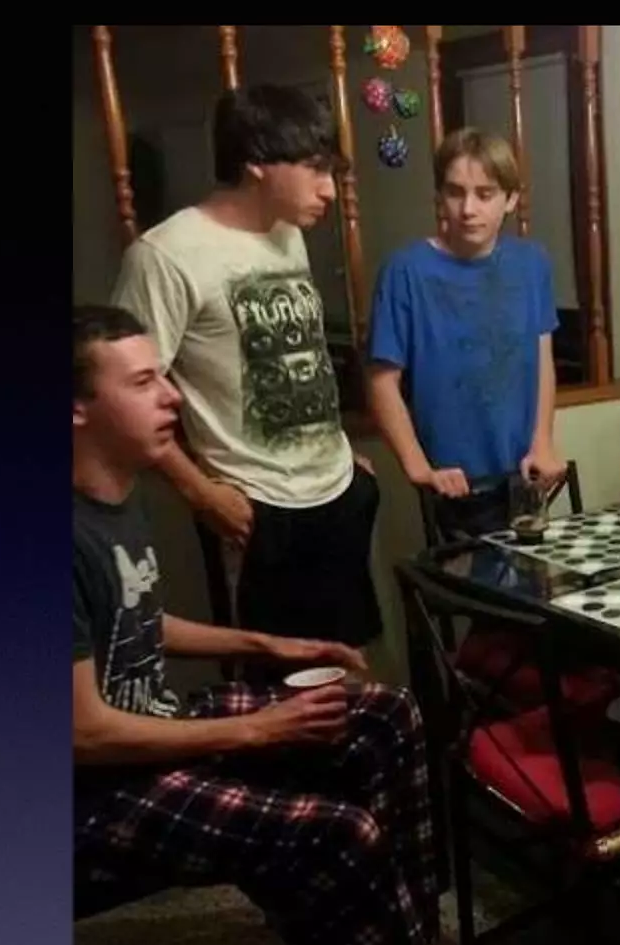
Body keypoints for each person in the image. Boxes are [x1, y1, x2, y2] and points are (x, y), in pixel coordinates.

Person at [71, 304, 456, 945]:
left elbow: (133, 618)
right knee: (341, 832)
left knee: (385, 715)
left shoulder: (117, 498)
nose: (172, 395)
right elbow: (84, 733)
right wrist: (256, 729)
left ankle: (414, 944)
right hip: (97, 795)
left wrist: (266, 644)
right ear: (77, 409)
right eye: (144, 382)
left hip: (155, 726)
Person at [110, 83, 382, 647]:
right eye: (315, 169)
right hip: (257, 509)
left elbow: (291, 355)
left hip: (335, 493)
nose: (330, 191)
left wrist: (335, 454)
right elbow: (124, 395)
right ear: (256, 162)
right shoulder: (165, 256)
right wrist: (200, 493)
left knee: (347, 665)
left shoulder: (288, 235)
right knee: (274, 677)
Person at [367, 128, 566, 541]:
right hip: (454, 482)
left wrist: (543, 441)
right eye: (455, 192)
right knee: (467, 579)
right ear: (440, 196)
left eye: (485, 194)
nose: (468, 209)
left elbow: (541, 356)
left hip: (523, 472)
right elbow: (381, 381)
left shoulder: (532, 263)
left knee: (535, 576)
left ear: (510, 199)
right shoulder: (405, 271)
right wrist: (418, 466)